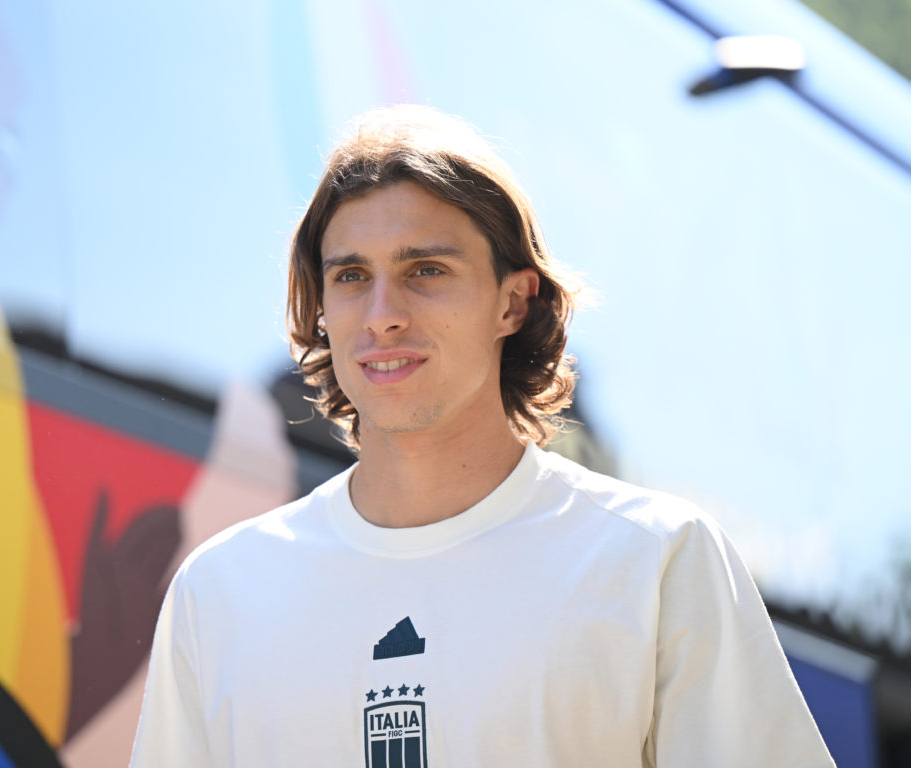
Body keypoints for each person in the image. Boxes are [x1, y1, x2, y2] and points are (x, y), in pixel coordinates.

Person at [130, 105, 834, 767]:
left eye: (425, 271)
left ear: (512, 300)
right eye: (350, 277)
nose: (382, 315)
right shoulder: (221, 593)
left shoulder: (653, 560)